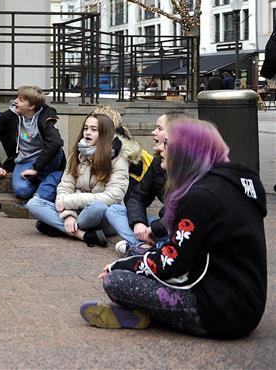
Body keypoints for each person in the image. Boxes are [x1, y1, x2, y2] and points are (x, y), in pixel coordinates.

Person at [81, 119, 267, 339]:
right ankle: (141, 311)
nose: (160, 148)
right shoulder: (240, 181)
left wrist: (118, 266)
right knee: (136, 253)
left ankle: (145, 314)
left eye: (167, 143)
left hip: (219, 312)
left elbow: (171, 265)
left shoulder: (202, 196)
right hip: (245, 301)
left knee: (116, 280)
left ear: (185, 151)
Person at [26, 113, 130, 246]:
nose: (88, 132)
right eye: (85, 128)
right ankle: (83, 235)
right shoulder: (76, 154)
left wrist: (69, 202)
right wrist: (68, 215)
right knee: (34, 204)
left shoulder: (119, 159)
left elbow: (113, 196)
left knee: (98, 207)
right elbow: (65, 187)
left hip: (103, 217)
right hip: (76, 211)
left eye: (94, 129)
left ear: (104, 134)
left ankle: (58, 227)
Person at [106, 110, 192, 256]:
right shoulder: (158, 162)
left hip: (182, 226)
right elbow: (138, 197)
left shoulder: (192, 166)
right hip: (163, 224)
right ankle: (146, 247)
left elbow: (181, 212)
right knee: (114, 211)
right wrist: (138, 223)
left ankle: (149, 248)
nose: (153, 132)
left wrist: (155, 228)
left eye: (159, 128)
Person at [0, 85, 65, 204]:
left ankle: (40, 193)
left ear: (31, 106)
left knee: (56, 153)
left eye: (20, 100)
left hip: (45, 157)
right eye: (17, 98)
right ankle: (46, 188)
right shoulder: (9, 117)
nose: (15, 101)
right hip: (24, 159)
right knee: (21, 190)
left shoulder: (44, 116)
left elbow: (56, 142)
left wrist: (36, 169)